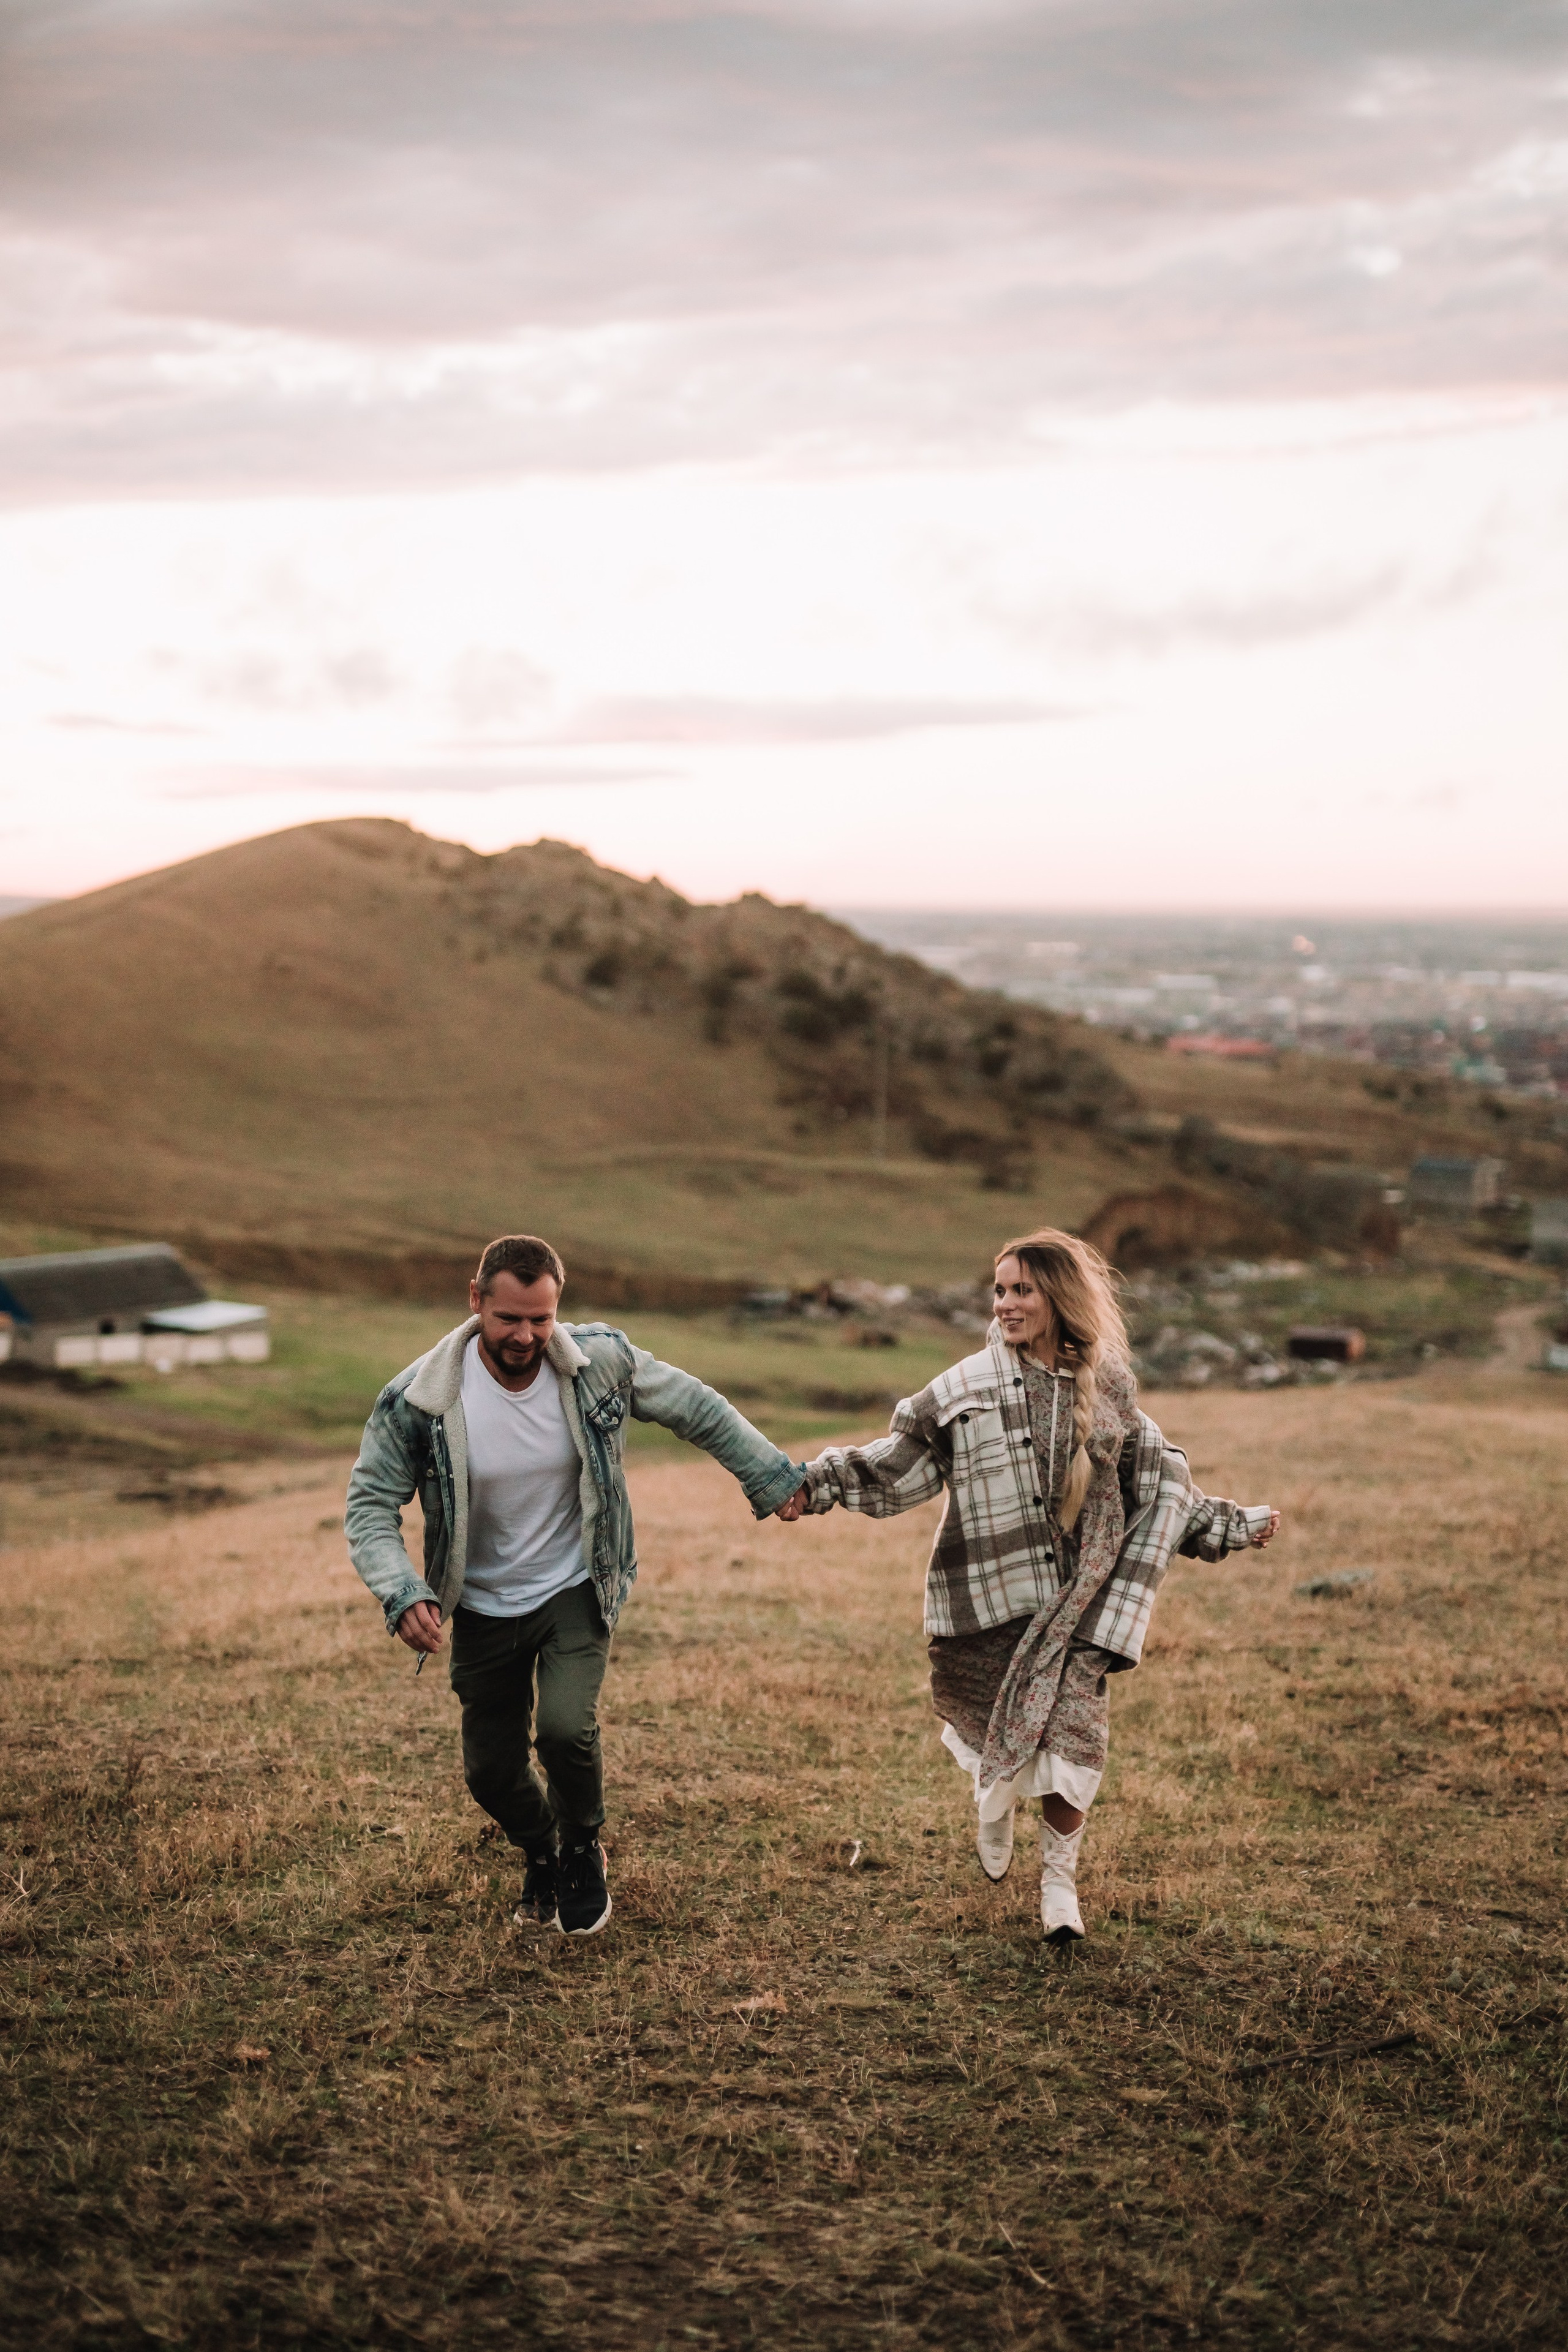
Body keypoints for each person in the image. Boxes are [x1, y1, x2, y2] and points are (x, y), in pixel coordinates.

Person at [776, 1228, 1280, 1943]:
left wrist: (1231, 1526)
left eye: (1020, 1290)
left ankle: (1058, 1888)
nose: (1004, 1303)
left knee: (1074, 1743)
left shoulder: (1107, 1391)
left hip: (1078, 1602)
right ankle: (993, 1798)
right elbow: (895, 1464)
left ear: (1057, 1299)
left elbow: (1159, 1482)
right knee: (995, 1729)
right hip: (992, 1590)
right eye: (1000, 1289)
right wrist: (813, 1484)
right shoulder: (965, 1388)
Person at [345, 1234, 805, 1936]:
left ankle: (583, 1846)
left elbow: (699, 1411)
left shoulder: (600, 1364)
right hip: (481, 1603)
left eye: (542, 1319)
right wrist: (402, 1590)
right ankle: (542, 1851)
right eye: (509, 1320)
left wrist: (770, 1478)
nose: (527, 1336)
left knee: (564, 1730)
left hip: (574, 1585)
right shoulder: (419, 1399)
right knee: (490, 1772)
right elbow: (370, 1504)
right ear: (476, 1303)